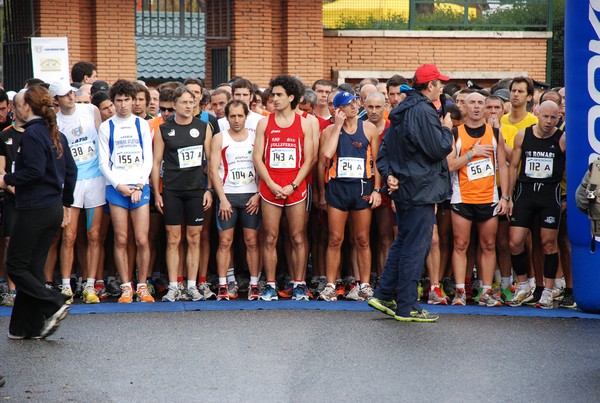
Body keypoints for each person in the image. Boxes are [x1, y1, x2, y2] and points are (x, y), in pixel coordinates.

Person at [368, 64, 453, 322]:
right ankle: (407, 306)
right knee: (416, 247)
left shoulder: (400, 111)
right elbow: (438, 149)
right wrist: (447, 129)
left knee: (404, 242)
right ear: (430, 86)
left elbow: (384, 155)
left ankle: (383, 295)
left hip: (406, 189)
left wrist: (391, 175)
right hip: (420, 191)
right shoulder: (423, 111)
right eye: (439, 83)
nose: (441, 87)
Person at [3, 85, 77, 339]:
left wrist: (7, 179)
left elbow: (33, 171)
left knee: (14, 265)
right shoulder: (54, 133)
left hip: (35, 207)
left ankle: (53, 301)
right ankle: (26, 327)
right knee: (31, 267)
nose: (14, 108)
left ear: (27, 108)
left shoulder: (33, 135)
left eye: (18, 104)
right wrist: (66, 202)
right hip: (52, 207)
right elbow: (71, 171)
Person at [253, 75, 314, 300]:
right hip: (271, 185)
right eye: (272, 94)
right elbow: (257, 158)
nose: (274, 98)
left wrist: (293, 185)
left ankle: (299, 283)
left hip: (294, 186)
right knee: (270, 237)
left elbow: (310, 159)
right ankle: (269, 284)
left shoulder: (304, 123)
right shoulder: (264, 122)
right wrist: (270, 183)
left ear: (291, 97)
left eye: (279, 95)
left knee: (297, 236)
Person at [318, 91, 381, 301]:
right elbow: (327, 154)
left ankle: (364, 285)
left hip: (362, 187)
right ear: (339, 110)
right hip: (337, 188)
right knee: (335, 239)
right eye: (348, 104)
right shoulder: (329, 130)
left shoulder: (369, 129)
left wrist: (377, 190)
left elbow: (378, 163)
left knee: (362, 239)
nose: (354, 106)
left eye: (355, 101)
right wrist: (337, 126)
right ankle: (330, 285)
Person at [447, 92, 509, 306]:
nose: (476, 107)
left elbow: (503, 166)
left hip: (488, 197)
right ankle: (460, 292)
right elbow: (449, 165)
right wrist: (472, 154)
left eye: (480, 103)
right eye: (471, 102)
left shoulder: (495, 133)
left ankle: (485, 291)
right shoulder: (456, 133)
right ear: (463, 106)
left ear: (485, 107)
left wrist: (506, 197)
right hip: (462, 197)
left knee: (489, 245)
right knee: (461, 244)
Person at [151, 86, 212, 302]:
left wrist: (209, 189)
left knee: (194, 238)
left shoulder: (203, 127)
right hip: (172, 191)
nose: (188, 106)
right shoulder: (164, 129)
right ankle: (174, 286)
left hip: (196, 191)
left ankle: (193, 286)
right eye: (184, 102)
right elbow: (156, 162)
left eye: (191, 102)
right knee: (173, 238)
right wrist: (157, 193)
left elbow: (211, 162)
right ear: (174, 105)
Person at [97, 79, 154, 303]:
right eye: (118, 101)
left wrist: (139, 185)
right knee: (121, 239)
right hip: (116, 187)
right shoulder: (106, 127)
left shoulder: (141, 124)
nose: (122, 105)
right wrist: (119, 185)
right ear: (113, 102)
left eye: (126, 100)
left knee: (141, 239)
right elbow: (103, 162)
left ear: (133, 101)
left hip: (140, 186)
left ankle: (142, 285)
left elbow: (147, 159)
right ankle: (125, 287)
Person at [506, 100, 566, 309]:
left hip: (550, 196)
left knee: (549, 243)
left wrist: (566, 198)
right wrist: (508, 197)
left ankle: (548, 291)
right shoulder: (523, 135)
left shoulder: (562, 138)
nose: (549, 122)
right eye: (545, 117)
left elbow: (572, 168)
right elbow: (513, 167)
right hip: (525, 194)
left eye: (554, 118)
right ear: (537, 114)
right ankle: (523, 285)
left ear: (559, 117)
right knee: (515, 242)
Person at [50, 79, 104, 304]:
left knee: (93, 235)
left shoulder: (91, 110)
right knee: (69, 236)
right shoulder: (54, 121)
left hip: (95, 180)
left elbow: (102, 142)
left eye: (72, 93)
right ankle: (65, 285)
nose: (71, 97)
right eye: (65, 95)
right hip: (72, 183)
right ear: (56, 100)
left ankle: (90, 285)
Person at [210, 100, 261, 300]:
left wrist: (258, 195)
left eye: (240, 116)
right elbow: (213, 170)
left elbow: (263, 167)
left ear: (246, 116)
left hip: (251, 196)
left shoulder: (256, 137)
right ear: (226, 117)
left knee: (252, 241)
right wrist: (222, 198)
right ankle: (223, 285)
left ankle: (254, 284)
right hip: (228, 196)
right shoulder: (219, 138)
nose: (236, 120)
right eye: (232, 116)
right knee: (225, 241)